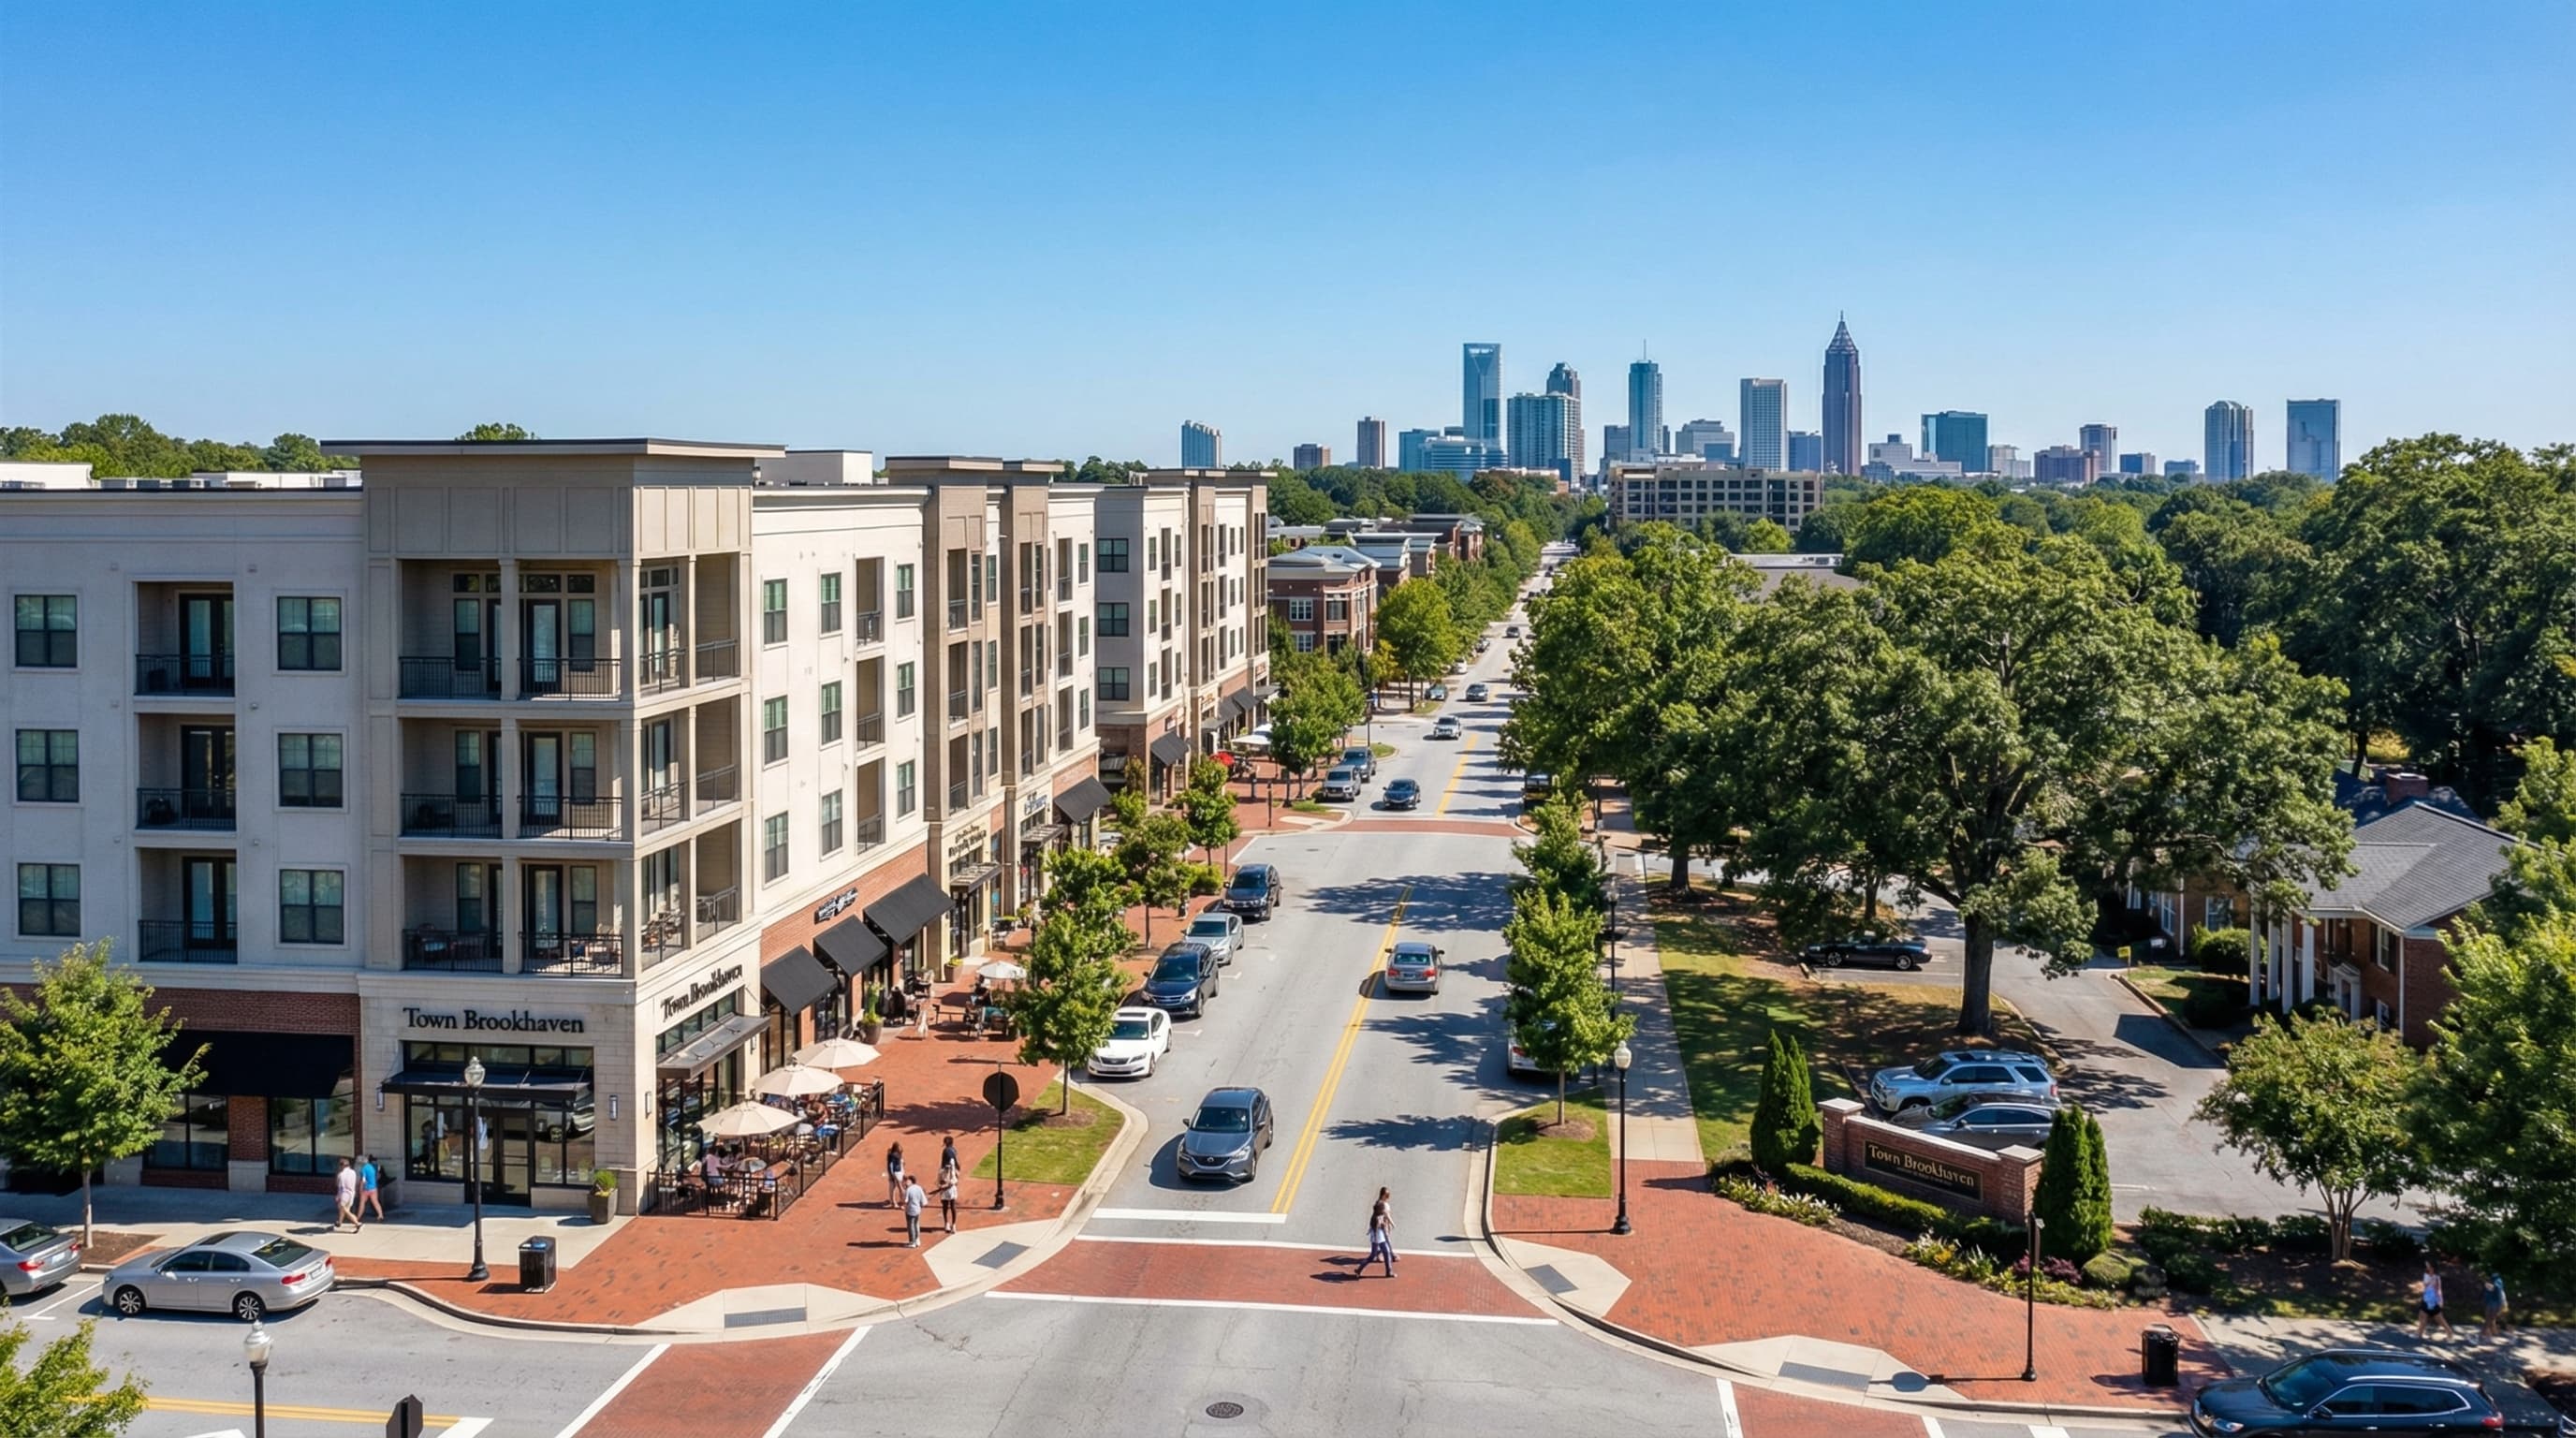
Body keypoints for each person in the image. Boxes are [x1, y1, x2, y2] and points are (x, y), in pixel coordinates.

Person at [2418, 1261, 2455, 1338]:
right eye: (2426, 1265)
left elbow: (2438, 1289)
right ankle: (2419, 1334)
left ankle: (2449, 1333)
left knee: (2439, 1318)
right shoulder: (2426, 1274)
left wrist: (2440, 1300)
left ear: (2432, 1267)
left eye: (2428, 1265)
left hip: (2433, 1300)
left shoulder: (2437, 1277)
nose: (2426, 1267)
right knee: (2422, 1315)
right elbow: (2425, 1285)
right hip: (2426, 1298)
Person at [1365, 1187, 1396, 1278]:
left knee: (1383, 1248)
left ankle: (1388, 1267)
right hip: (1380, 1229)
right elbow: (1385, 1216)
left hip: (1380, 1228)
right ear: (1383, 1195)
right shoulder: (1381, 1205)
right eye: (1386, 1196)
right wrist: (1391, 1224)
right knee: (1384, 1246)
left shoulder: (1381, 1204)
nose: (1388, 1198)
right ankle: (1387, 1256)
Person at [333, 1156, 363, 1233]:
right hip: (352, 1193)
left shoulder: (341, 1175)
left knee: (344, 1209)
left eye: (340, 1165)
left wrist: (338, 1196)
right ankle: (339, 1222)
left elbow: (340, 1188)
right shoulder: (353, 1172)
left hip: (344, 1194)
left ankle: (357, 1224)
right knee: (346, 1208)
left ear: (342, 1166)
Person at [937, 1149, 960, 1233]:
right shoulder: (941, 1171)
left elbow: (955, 1179)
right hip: (944, 1191)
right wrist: (941, 1186)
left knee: (953, 1206)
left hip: (951, 1190)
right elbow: (938, 1181)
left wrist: (949, 1184)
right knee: (945, 1207)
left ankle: (953, 1224)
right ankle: (946, 1223)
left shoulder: (952, 1170)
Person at [901, 1173, 928, 1248]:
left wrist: (903, 1206)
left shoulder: (908, 1190)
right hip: (918, 1210)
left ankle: (912, 1242)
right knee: (916, 1224)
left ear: (911, 1181)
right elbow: (924, 1201)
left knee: (911, 1226)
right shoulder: (919, 1188)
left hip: (910, 1210)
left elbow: (905, 1201)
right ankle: (917, 1240)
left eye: (907, 1181)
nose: (906, 1182)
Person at [359, 1153, 386, 1221]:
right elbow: (379, 1174)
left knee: (362, 1203)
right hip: (374, 1187)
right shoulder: (375, 1166)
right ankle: (380, 1215)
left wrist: (360, 1189)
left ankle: (358, 1217)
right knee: (376, 1202)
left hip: (366, 1189)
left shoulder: (364, 1168)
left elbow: (363, 1180)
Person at [2483, 1271, 2509, 1339]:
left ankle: (2490, 1333)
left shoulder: (2497, 1282)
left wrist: (2501, 1305)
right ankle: (2490, 1333)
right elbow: (2489, 1293)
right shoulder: (2494, 1283)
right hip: (2493, 1303)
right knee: (2490, 1319)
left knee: (2491, 1319)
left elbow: (2497, 1291)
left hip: (2495, 1303)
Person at [885, 1140, 907, 1207]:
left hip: (899, 1173)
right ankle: (894, 1202)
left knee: (897, 1187)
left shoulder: (896, 1155)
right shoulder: (893, 1156)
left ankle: (898, 1201)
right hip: (895, 1174)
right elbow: (891, 1166)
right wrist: (892, 1175)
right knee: (896, 1188)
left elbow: (901, 1164)